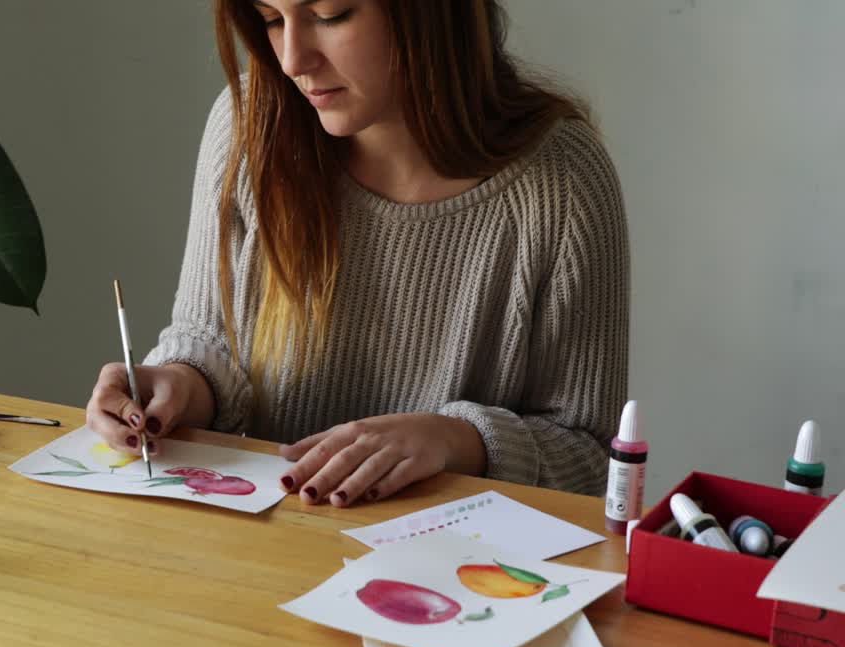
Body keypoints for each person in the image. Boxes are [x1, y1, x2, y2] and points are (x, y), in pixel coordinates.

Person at [86, 0, 628, 507]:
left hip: (456, 572)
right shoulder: (248, 126)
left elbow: (590, 457)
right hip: (270, 545)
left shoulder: (563, 182)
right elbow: (212, 345)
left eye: (331, 14)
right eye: (271, 18)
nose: (294, 59)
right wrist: (177, 384)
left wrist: (454, 440)